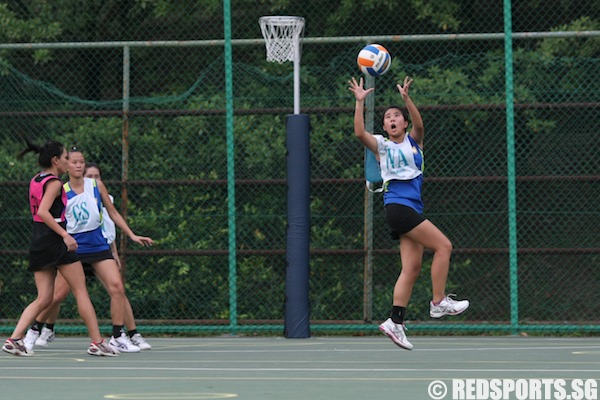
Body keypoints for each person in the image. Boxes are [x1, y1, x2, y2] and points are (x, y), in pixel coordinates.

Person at [348, 76, 469, 350]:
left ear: (404, 123)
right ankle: (438, 303)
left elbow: (421, 124)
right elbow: (359, 133)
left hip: (411, 208)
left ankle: (395, 321)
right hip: (398, 206)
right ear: (385, 127)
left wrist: (406, 100)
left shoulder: (414, 143)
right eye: (388, 118)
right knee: (444, 246)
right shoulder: (381, 145)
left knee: (412, 268)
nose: (392, 120)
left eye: (397, 117)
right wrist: (359, 104)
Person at [22, 147, 153, 354]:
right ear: (65, 163)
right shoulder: (59, 188)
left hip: (97, 245)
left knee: (117, 287)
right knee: (54, 296)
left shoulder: (95, 185)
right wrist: (61, 237)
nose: (77, 165)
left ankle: (118, 336)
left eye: (81, 162)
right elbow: (45, 214)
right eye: (73, 161)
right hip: (73, 247)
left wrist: (131, 234)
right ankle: (35, 331)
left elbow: (113, 213)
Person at [2, 139, 117, 357]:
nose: (68, 162)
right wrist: (65, 235)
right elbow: (44, 212)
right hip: (55, 239)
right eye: (65, 158)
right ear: (55, 161)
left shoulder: (36, 179)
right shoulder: (54, 183)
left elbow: (38, 213)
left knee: (44, 297)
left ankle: (14, 339)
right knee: (80, 290)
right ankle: (97, 342)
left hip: (39, 240)